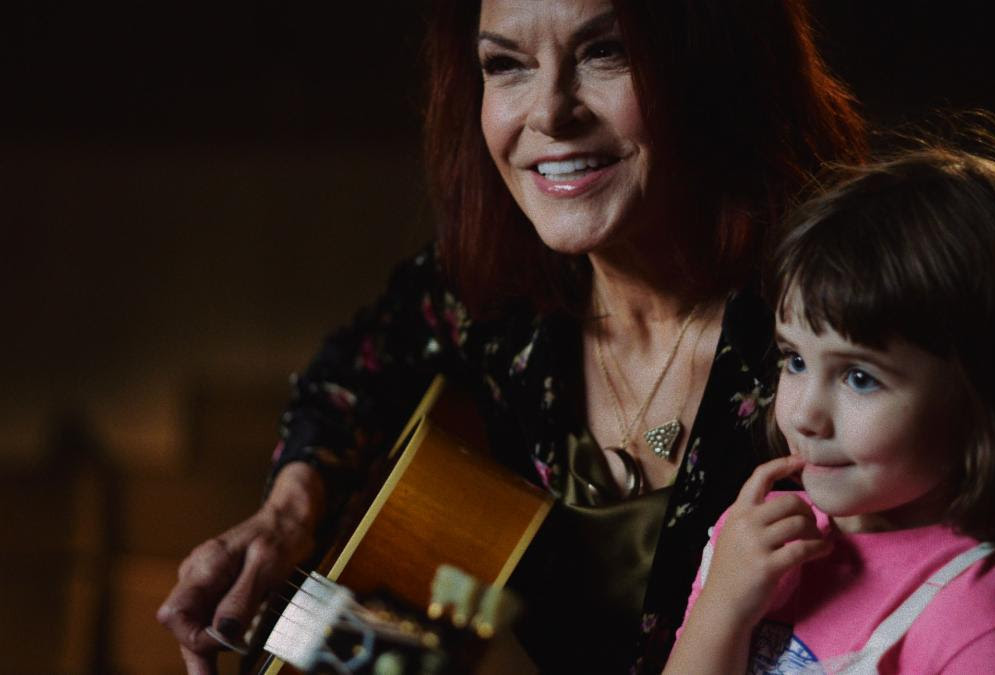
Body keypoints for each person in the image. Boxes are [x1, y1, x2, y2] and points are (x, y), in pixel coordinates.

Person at [155, 0, 866, 673]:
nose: (550, 114)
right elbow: (356, 366)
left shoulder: (839, 317)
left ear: (713, 59)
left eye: (606, 51)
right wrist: (287, 514)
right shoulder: (498, 297)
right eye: (507, 64)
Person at [665, 133, 995, 673]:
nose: (805, 414)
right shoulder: (750, 543)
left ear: (990, 400)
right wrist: (724, 606)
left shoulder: (983, 623)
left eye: (859, 377)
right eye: (795, 360)